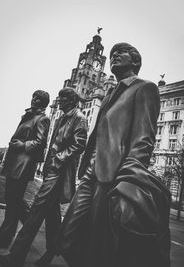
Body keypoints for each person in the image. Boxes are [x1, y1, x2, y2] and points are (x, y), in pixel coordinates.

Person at [55, 43, 171, 267]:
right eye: (112, 54)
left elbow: (143, 137)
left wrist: (128, 177)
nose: (114, 56)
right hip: (92, 170)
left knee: (98, 240)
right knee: (69, 232)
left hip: (114, 173)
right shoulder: (108, 96)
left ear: (135, 61)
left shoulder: (145, 88)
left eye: (121, 52)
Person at [0, 87, 88, 267]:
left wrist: (58, 159)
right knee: (53, 218)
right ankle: (52, 252)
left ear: (71, 100)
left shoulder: (80, 118)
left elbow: (80, 144)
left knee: (36, 211)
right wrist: (48, 164)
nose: (58, 100)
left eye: (62, 97)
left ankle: (15, 256)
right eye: (59, 97)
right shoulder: (61, 118)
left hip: (60, 171)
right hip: (51, 170)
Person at [0, 90, 50, 249]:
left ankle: (5, 237)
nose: (34, 100)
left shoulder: (43, 119)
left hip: (23, 165)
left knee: (14, 202)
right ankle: (28, 227)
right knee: (14, 201)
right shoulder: (29, 116)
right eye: (34, 97)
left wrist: (22, 145)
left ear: (44, 103)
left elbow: (40, 142)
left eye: (39, 98)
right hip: (15, 163)